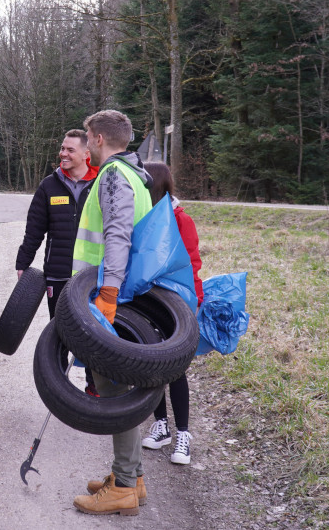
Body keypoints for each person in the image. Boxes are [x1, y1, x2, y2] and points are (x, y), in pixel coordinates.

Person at [70, 110, 154, 516]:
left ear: (99, 139)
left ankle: (122, 485)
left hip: (110, 297)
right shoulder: (136, 175)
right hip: (119, 292)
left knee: (114, 388)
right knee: (116, 385)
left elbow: (118, 233)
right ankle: (132, 478)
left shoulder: (114, 176)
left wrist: (107, 292)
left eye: (87, 137)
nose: (85, 144)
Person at [16, 129, 100, 394]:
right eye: (62, 148)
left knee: (95, 330)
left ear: (87, 154)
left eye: (70, 150)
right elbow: (34, 229)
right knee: (61, 330)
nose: (63, 154)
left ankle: (94, 385)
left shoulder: (101, 183)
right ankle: (61, 388)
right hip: (58, 273)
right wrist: (23, 262)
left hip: (93, 274)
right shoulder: (49, 185)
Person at [139, 162, 204, 465]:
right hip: (147, 302)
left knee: (176, 369)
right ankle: (161, 426)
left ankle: (183, 435)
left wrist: (195, 302)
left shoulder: (181, 219)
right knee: (152, 364)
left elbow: (192, 263)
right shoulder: (142, 217)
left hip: (176, 304)